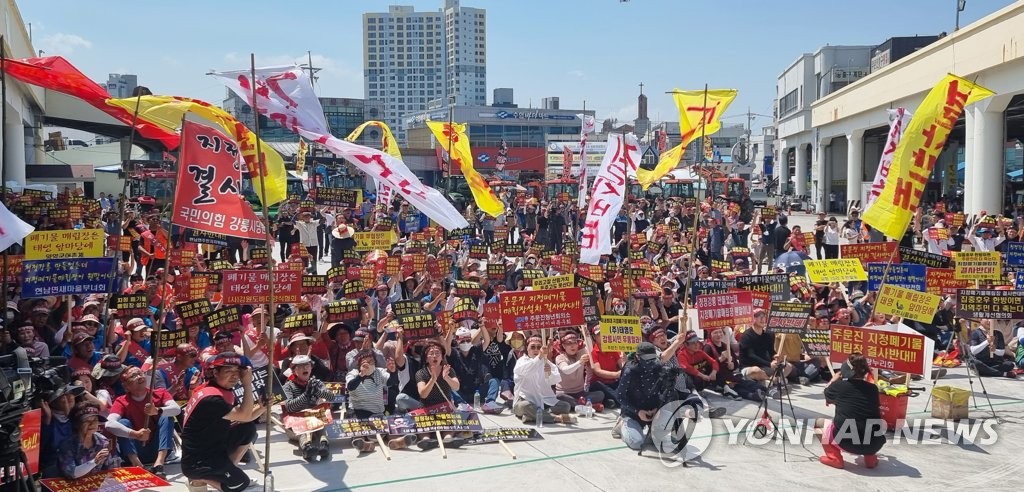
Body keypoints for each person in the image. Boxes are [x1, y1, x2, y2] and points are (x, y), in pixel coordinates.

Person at [181, 352, 261, 492]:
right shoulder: (212, 399)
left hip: (213, 447)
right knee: (240, 483)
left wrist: (264, 407)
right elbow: (245, 414)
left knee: (247, 428)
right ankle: (202, 478)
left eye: (237, 372)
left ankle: (229, 469)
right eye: (228, 371)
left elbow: (245, 418)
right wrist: (247, 384)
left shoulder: (216, 389)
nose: (234, 376)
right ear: (215, 373)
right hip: (198, 460)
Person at [105, 367, 180, 478]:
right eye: (133, 376)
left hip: (157, 446)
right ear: (126, 386)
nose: (139, 377)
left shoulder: (160, 393)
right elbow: (109, 424)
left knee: (166, 417)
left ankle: (159, 463)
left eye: (140, 373)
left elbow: (176, 409)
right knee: (123, 422)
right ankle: (137, 464)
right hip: (135, 449)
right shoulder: (121, 401)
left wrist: (157, 410)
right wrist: (135, 434)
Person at [819, 353, 887, 469]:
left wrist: (833, 380)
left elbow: (827, 393)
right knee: (867, 423)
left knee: (819, 423)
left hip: (847, 442)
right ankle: (870, 459)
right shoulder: (873, 389)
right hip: (875, 443)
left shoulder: (839, 386)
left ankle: (834, 457)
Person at [616, 342, 685, 451]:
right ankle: (622, 425)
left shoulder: (658, 366)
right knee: (636, 443)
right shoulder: (630, 370)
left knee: (671, 417)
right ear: (637, 357)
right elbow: (620, 396)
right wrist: (638, 411)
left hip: (654, 411)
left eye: (652, 358)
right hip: (633, 412)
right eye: (646, 358)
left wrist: (657, 409)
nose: (650, 362)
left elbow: (666, 392)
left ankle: (655, 434)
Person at [282, 354, 337, 461]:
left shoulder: (317, 383)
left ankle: (324, 445)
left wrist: (318, 391)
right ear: (294, 371)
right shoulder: (288, 386)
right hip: (295, 424)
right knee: (304, 429)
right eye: (300, 367)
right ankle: (306, 448)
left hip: (315, 420)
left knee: (321, 419)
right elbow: (289, 406)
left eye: (307, 365)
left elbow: (331, 397)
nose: (305, 368)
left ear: (311, 368)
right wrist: (306, 395)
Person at [513, 334, 570, 423]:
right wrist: (539, 356)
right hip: (525, 401)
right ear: (527, 348)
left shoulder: (546, 362)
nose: (536, 350)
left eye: (538, 347)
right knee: (525, 406)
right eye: (532, 347)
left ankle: (533, 416)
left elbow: (555, 380)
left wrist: (549, 373)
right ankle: (556, 418)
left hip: (544, 400)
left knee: (565, 406)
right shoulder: (521, 362)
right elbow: (527, 372)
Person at [739, 309, 793, 399]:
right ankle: (773, 384)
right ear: (753, 319)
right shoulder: (746, 335)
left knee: (788, 366)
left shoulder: (768, 335)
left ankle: (772, 382)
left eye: (764, 317)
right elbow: (751, 355)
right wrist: (769, 364)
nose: (763, 319)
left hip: (765, 366)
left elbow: (771, 351)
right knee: (756, 370)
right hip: (748, 367)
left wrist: (775, 357)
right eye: (760, 317)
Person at [57, 403, 120, 479]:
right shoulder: (67, 445)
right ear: (77, 424)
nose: (92, 424)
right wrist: (94, 462)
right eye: (87, 421)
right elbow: (71, 473)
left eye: (95, 420)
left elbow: (110, 468)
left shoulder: (103, 441)